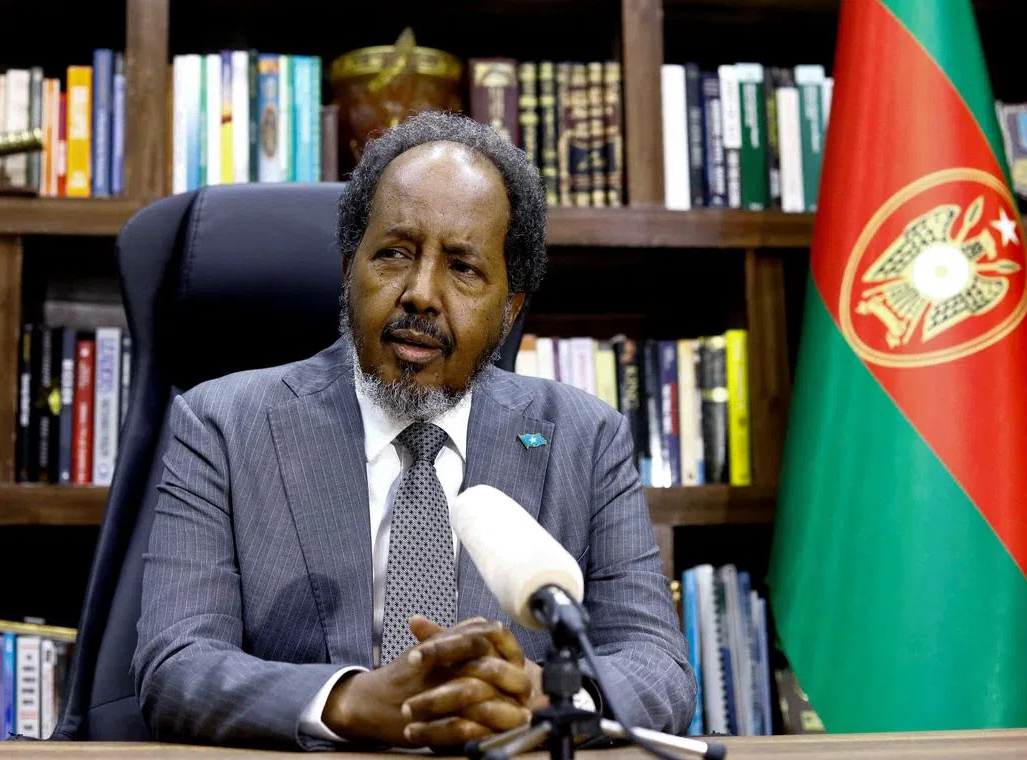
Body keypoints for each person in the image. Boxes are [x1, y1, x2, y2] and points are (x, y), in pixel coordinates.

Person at [131, 110, 697, 751]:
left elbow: (660, 667)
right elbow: (175, 665)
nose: (421, 294)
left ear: (509, 309)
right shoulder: (221, 426)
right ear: (349, 271)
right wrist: (347, 700)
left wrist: (541, 697)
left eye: (463, 268)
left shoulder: (584, 440)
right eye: (394, 254)